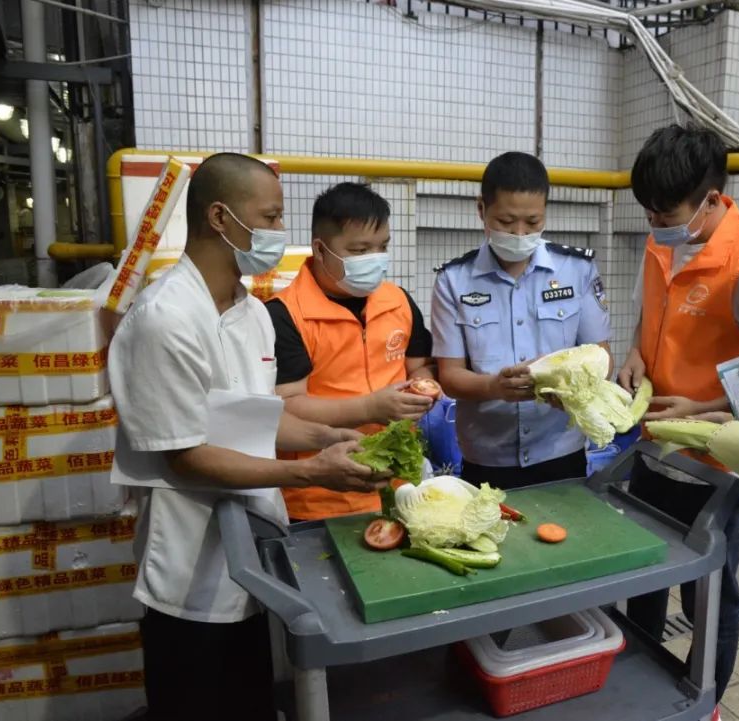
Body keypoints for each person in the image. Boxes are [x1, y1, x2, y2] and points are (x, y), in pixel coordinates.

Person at [109, 153, 388, 721]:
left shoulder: (252, 311)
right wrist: (313, 470)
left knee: (251, 700)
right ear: (219, 217)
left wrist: (332, 436)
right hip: (189, 565)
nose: (279, 233)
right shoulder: (164, 319)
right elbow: (186, 456)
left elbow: (260, 417)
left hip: (251, 555)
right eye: (272, 216)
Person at [616, 124, 739, 710]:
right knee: (642, 578)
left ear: (713, 200)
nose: (653, 223)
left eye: (664, 211)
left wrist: (705, 408)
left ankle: (708, 702)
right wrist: (634, 357)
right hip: (655, 448)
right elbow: (652, 320)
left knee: (708, 598)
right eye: (647, 211)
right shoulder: (662, 240)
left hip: (717, 463)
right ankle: (637, 689)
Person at [430, 151, 611, 488]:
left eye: (532, 222)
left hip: (561, 451)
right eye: (505, 221)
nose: (518, 232)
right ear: (481, 210)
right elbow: (449, 376)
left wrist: (568, 387)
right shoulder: (453, 280)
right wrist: (492, 387)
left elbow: (600, 356)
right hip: (486, 459)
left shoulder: (578, 269)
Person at [267, 182, 436, 520]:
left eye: (382, 246)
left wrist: (424, 389)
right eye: (360, 250)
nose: (374, 259)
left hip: (397, 484)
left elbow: (418, 366)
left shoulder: (398, 301)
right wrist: (370, 408)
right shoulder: (285, 314)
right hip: (320, 496)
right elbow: (286, 405)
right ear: (320, 248)